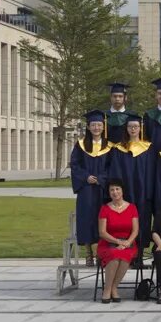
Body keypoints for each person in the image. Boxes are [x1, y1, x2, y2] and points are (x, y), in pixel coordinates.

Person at [68, 111, 110, 266]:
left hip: (102, 189)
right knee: (86, 219)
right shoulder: (80, 145)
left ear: (103, 126)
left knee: (102, 219)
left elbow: (111, 167)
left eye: (99, 125)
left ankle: (101, 253)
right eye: (93, 125)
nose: (96, 127)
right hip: (86, 189)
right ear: (88, 126)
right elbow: (75, 165)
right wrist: (86, 177)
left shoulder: (108, 146)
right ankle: (88, 253)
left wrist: (101, 178)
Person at [96, 178, 140, 304]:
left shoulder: (132, 207)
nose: (115, 192)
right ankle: (107, 289)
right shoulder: (105, 208)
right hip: (108, 243)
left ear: (122, 191)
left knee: (125, 254)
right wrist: (117, 242)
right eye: (112, 190)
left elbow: (135, 230)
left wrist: (127, 242)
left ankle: (113, 287)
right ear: (109, 193)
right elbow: (102, 232)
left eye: (117, 189)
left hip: (128, 243)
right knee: (114, 254)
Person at [108, 114, 156, 208]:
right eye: (130, 126)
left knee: (143, 217)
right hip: (125, 190)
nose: (133, 129)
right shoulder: (119, 148)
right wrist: (118, 191)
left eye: (135, 126)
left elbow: (151, 172)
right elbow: (116, 171)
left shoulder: (148, 148)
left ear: (140, 128)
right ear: (126, 128)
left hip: (143, 191)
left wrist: (149, 192)